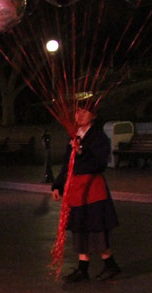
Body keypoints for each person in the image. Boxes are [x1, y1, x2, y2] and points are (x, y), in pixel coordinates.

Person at [51, 106, 121, 283]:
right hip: (77, 189)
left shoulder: (98, 137)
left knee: (96, 228)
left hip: (92, 189)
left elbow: (99, 164)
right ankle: (83, 268)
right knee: (80, 228)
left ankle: (110, 264)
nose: (80, 115)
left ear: (94, 115)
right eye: (77, 111)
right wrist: (58, 185)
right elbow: (68, 165)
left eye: (84, 111)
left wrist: (82, 152)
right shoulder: (74, 136)